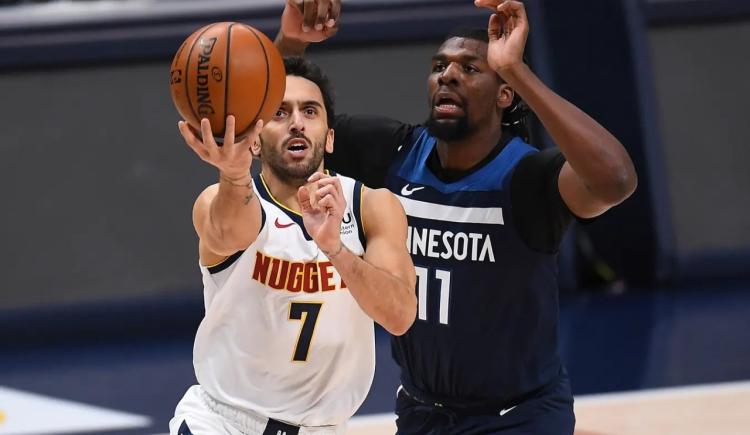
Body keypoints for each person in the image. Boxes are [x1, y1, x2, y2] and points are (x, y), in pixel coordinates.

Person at [275, 0, 638, 433]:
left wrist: (517, 70)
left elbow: (616, 180)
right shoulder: (394, 153)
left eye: (469, 69)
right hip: (423, 412)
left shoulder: (527, 178)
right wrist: (293, 41)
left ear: (504, 94)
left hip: (519, 417)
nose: (447, 75)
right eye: (439, 66)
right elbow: (278, 122)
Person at [169, 57, 417, 435]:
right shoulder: (222, 202)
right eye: (280, 113)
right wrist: (234, 175)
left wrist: (336, 249)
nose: (297, 122)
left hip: (322, 428)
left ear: (329, 136)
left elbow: (399, 317)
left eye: (310, 111)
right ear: (254, 138)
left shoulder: (371, 207)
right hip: (224, 423)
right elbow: (229, 232)